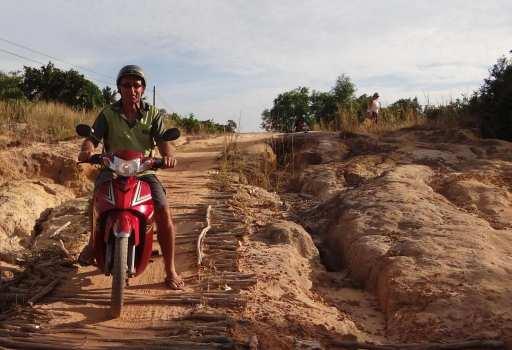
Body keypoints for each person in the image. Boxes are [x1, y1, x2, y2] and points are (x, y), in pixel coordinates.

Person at [77, 65, 184, 290]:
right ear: (119, 88)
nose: (132, 89)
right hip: (112, 168)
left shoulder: (153, 114)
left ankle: (170, 268)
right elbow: (92, 138)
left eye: (137, 85)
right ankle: (91, 242)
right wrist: (87, 151)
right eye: (127, 85)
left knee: (162, 208)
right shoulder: (108, 113)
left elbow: (165, 144)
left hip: (144, 170)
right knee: (97, 199)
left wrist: (168, 158)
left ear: (143, 89)